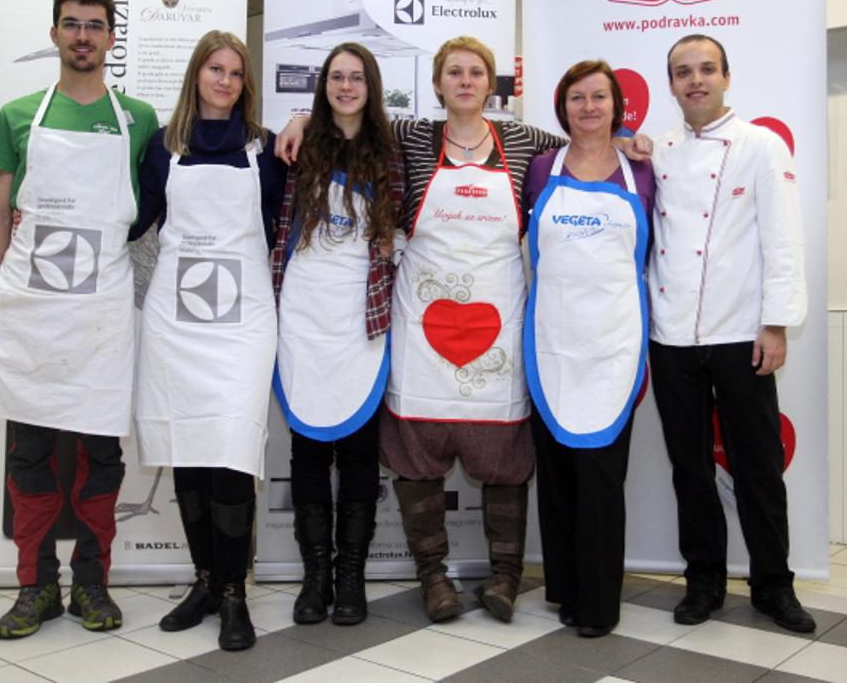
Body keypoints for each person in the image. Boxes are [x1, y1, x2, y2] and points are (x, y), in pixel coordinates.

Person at [278, 36, 651, 624]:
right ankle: (434, 577)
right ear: (437, 84)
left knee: (502, 455)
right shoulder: (411, 136)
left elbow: (587, 145)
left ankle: (504, 577)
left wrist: (628, 142)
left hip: (498, 323)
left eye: (477, 72)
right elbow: (352, 115)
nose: (466, 81)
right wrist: (302, 115)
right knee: (416, 456)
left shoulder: (529, 143)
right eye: (454, 72)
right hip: (422, 323)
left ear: (491, 83)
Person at [0, 0, 157, 639]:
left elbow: (151, 220)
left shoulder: (139, 120)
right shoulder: (17, 115)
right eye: (71, 24)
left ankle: (92, 583)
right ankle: (35, 584)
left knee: (102, 459)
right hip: (31, 316)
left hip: (101, 315)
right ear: (54, 34)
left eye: (94, 25)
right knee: (30, 455)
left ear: (110, 37)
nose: (82, 36)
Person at [648, 34, 812, 633]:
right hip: (671, 336)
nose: (696, 80)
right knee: (689, 469)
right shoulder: (659, 151)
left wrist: (776, 324)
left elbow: (784, 239)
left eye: (706, 69)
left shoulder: (761, 146)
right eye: (683, 72)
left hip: (743, 331)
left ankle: (773, 584)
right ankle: (704, 582)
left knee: (758, 467)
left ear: (726, 76)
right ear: (670, 84)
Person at [131, 30, 286, 652]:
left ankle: (234, 592)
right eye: (214, 69)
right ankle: (203, 580)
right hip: (176, 322)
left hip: (243, 322)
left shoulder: (267, 149)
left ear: (245, 83)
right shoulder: (161, 149)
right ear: (196, 75)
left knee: (229, 453)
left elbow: (284, 222)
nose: (224, 80)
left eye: (234, 72)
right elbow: (137, 220)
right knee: (187, 451)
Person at [270, 42, 403, 627]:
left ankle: (351, 576)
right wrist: (297, 120)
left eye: (356, 78)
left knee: (358, 457)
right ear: (322, 86)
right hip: (303, 317)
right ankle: (314, 577)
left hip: (361, 321)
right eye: (336, 78)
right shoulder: (296, 148)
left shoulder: (393, 150)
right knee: (306, 452)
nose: (346, 87)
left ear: (370, 87)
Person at [521, 60, 654, 638]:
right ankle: (567, 594)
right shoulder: (540, 168)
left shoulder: (643, 169)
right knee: (558, 476)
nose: (589, 107)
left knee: (602, 476)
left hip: (613, 345)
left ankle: (599, 604)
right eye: (577, 98)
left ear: (616, 105)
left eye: (599, 97)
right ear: (562, 108)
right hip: (552, 341)